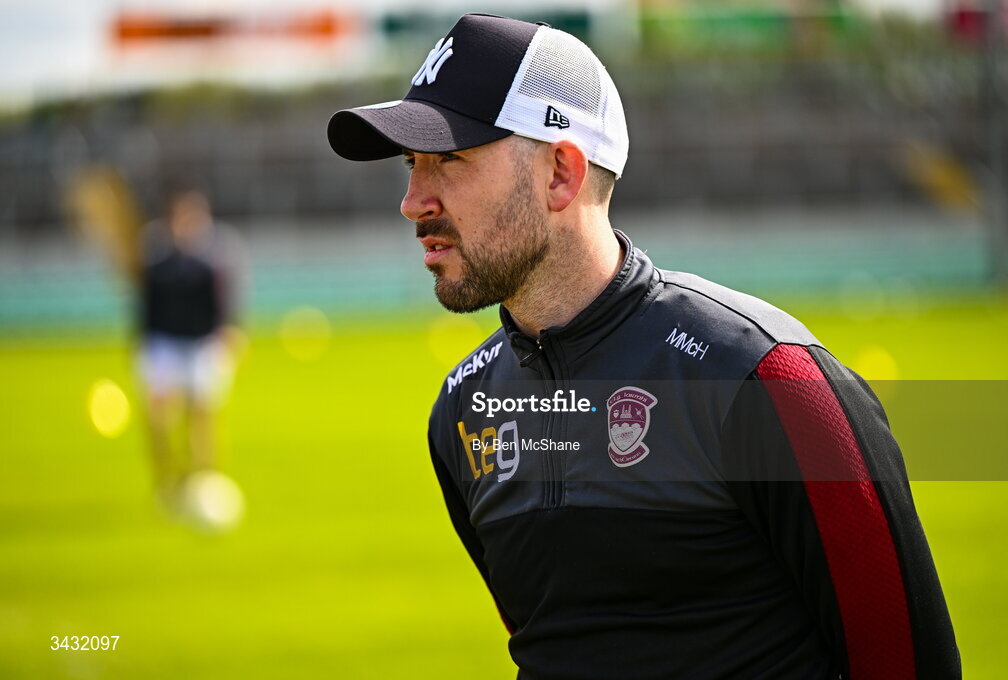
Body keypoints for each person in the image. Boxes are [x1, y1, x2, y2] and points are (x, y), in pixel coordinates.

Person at [326, 13, 960, 679]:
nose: (412, 200)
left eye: (448, 159)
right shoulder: (463, 410)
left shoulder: (767, 381)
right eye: (409, 163)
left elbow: (910, 665)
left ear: (560, 174)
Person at [136, 186, 246, 513]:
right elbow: (146, 304)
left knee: (201, 413)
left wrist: (230, 332)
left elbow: (225, 303)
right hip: (164, 342)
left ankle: (204, 479)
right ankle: (168, 480)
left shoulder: (214, 256)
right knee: (159, 418)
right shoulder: (155, 255)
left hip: (202, 343)